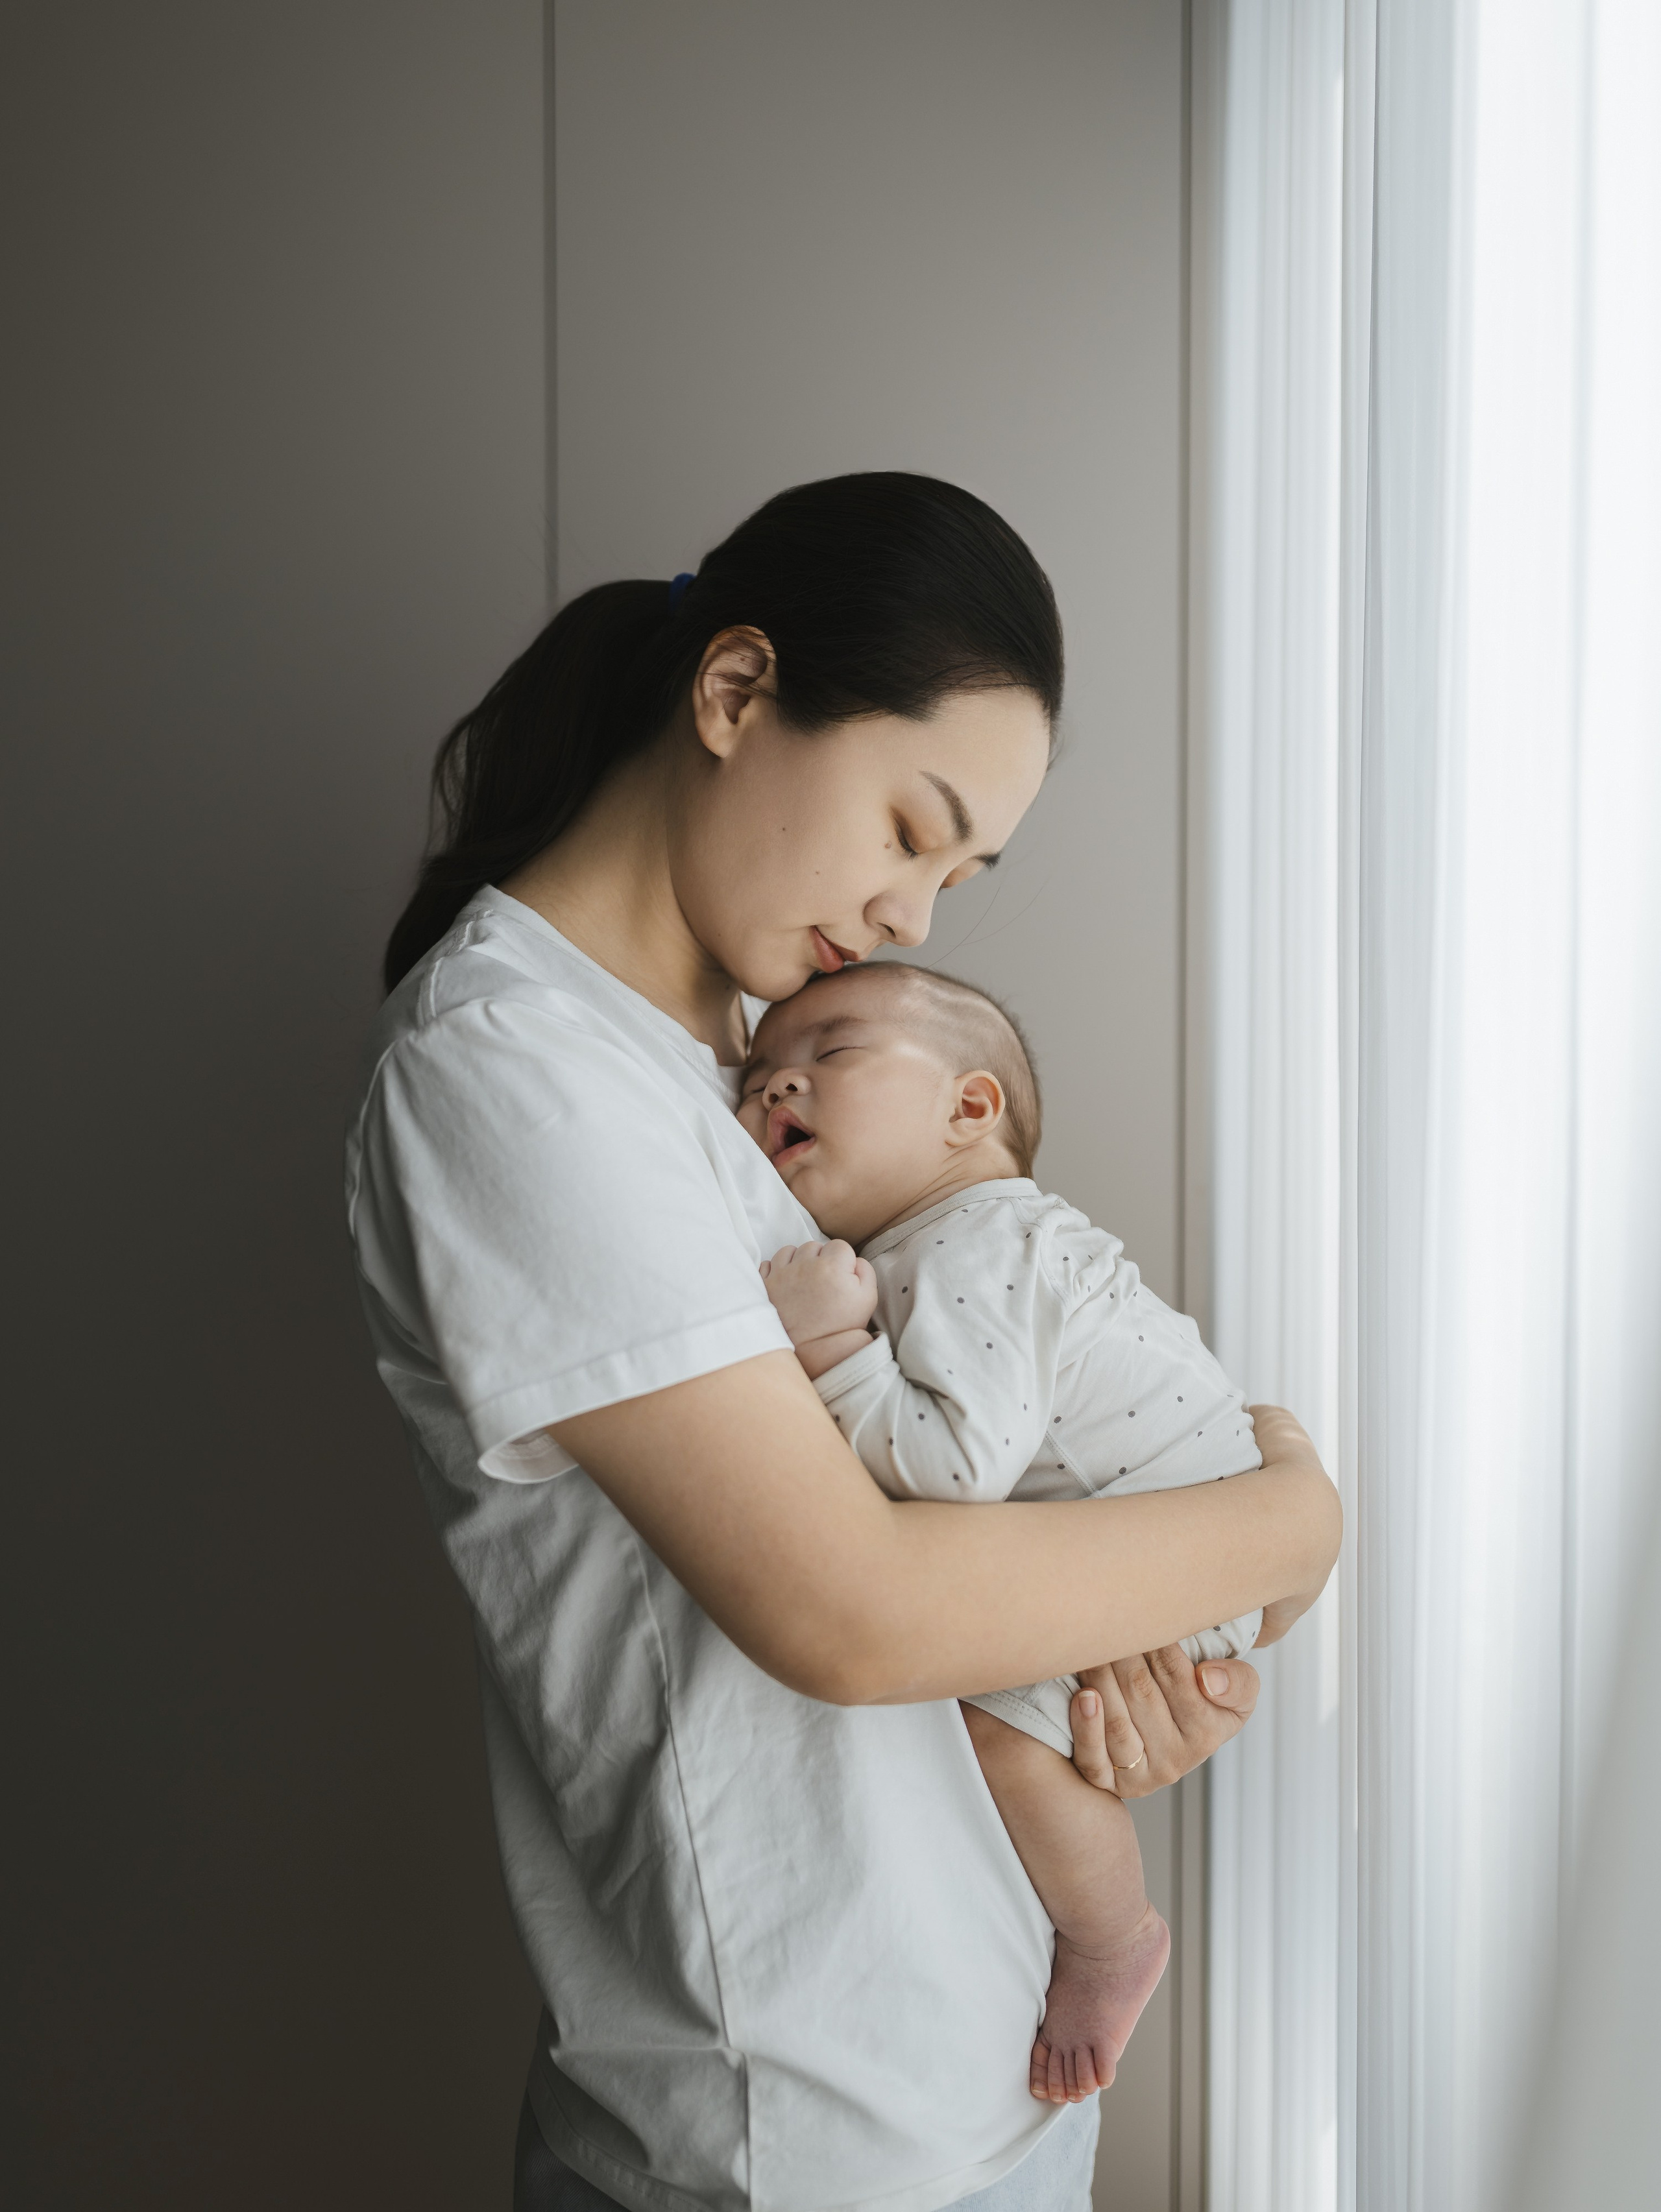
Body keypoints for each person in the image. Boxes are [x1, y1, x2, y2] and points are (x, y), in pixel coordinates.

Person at [348, 472, 1340, 2212]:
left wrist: (1125, 1666)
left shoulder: (757, 1048)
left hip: (981, 2061)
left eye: (963, 870)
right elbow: (851, 1611)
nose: (917, 920)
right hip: (788, 2127)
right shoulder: (513, 1070)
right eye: (909, 828)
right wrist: (1297, 1515)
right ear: (735, 694)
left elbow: (987, 1485)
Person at [740, 959, 1303, 2109]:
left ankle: (1112, 1936)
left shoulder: (967, 1247)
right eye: (752, 1085)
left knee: (1005, 1743)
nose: (774, 1085)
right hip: (1190, 1527)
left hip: (1172, 1541)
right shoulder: (965, 1243)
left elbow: (950, 1472)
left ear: (971, 1107)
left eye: (829, 1053)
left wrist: (835, 1350)